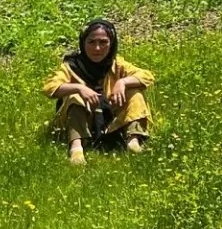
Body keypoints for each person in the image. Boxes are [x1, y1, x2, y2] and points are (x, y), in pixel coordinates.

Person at [43, 19, 154, 167]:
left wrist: (123, 82)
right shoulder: (71, 66)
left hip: (111, 118)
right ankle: (76, 149)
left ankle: (133, 140)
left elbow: (147, 76)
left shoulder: (117, 63)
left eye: (103, 42)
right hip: (83, 119)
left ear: (111, 43)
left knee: (135, 91)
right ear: (83, 43)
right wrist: (79, 88)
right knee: (74, 97)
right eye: (91, 42)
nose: (97, 48)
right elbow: (49, 87)